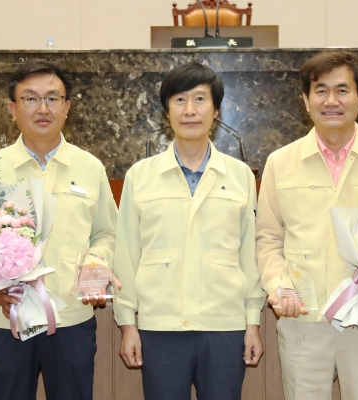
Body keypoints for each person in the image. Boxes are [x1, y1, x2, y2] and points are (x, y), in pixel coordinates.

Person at [256, 51, 358, 400]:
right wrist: (278, 285)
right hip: (304, 319)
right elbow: (268, 239)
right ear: (306, 99)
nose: (331, 101)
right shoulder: (280, 164)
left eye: (342, 90)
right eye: (321, 90)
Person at [0, 59, 118, 400]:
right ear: (13, 108)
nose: (43, 107)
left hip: (71, 319)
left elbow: (107, 233)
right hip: (7, 319)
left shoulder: (89, 167)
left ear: (67, 107)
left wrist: (97, 265)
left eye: (53, 98)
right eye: (30, 98)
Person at [113, 62, 265, 400]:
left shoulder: (240, 176)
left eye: (200, 99)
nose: (190, 110)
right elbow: (126, 251)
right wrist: (128, 324)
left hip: (224, 327)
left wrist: (252, 321)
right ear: (167, 111)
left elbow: (248, 253)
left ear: (216, 110)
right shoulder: (140, 175)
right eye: (180, 100)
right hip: (160, 327)